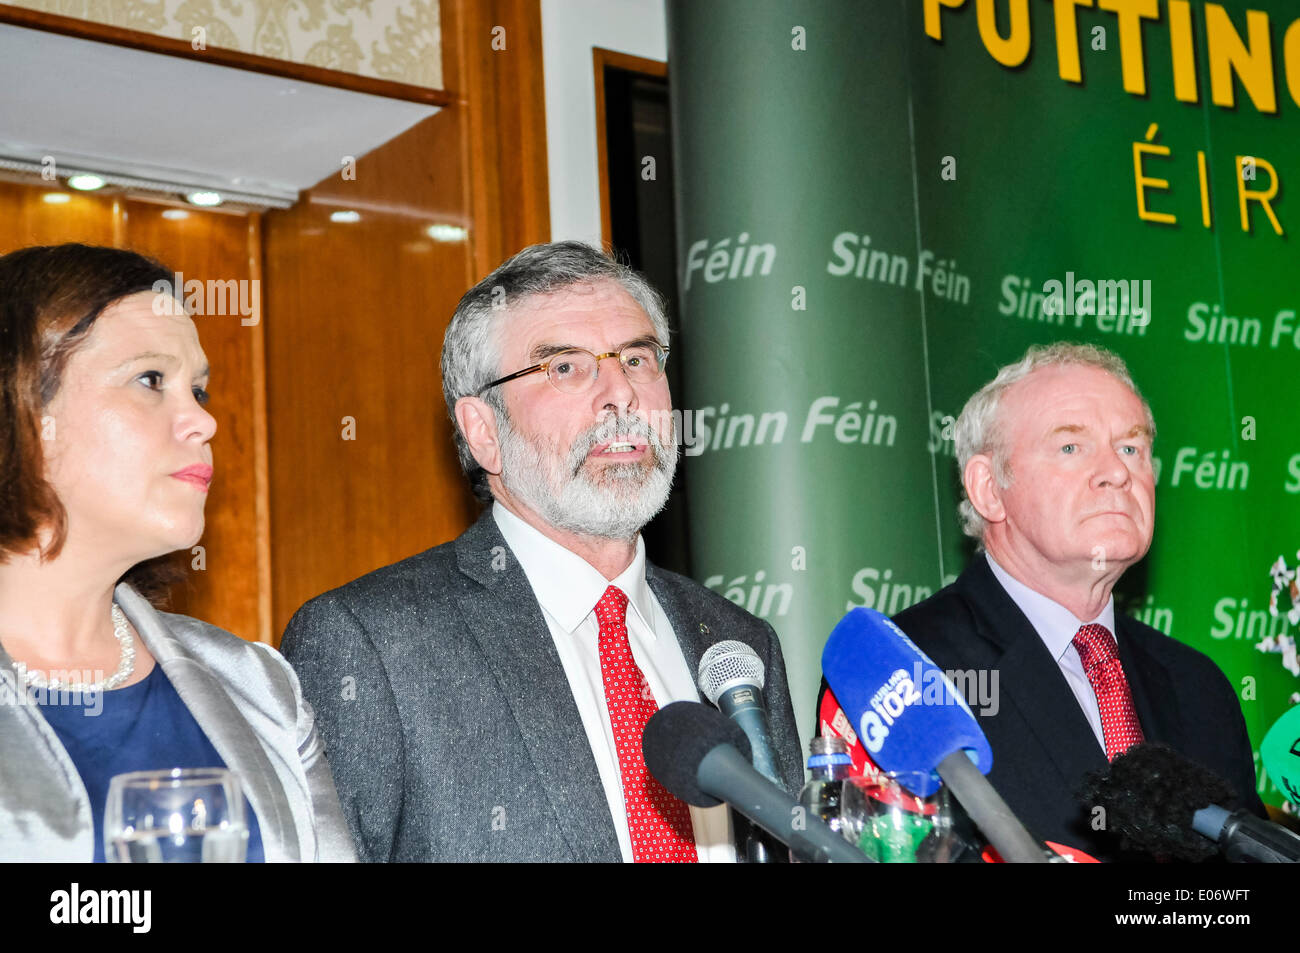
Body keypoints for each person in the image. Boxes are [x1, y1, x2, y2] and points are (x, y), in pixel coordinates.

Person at [281, 241, 804, 862]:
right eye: (565, 368)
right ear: (484, 432)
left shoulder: (739, 645)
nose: (621, 395)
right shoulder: (371, 642)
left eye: (637, 359)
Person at [0, 243, 354, 862]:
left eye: (199, 391)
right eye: (150, 380)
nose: (202, 422)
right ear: (23, 408)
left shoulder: (258, 686)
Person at [881, 342, 1263, 859]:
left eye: (1131, 448)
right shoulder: (908, 670)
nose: (1118, 472)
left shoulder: (1200, 689)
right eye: (1070, 448)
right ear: (989, 489)